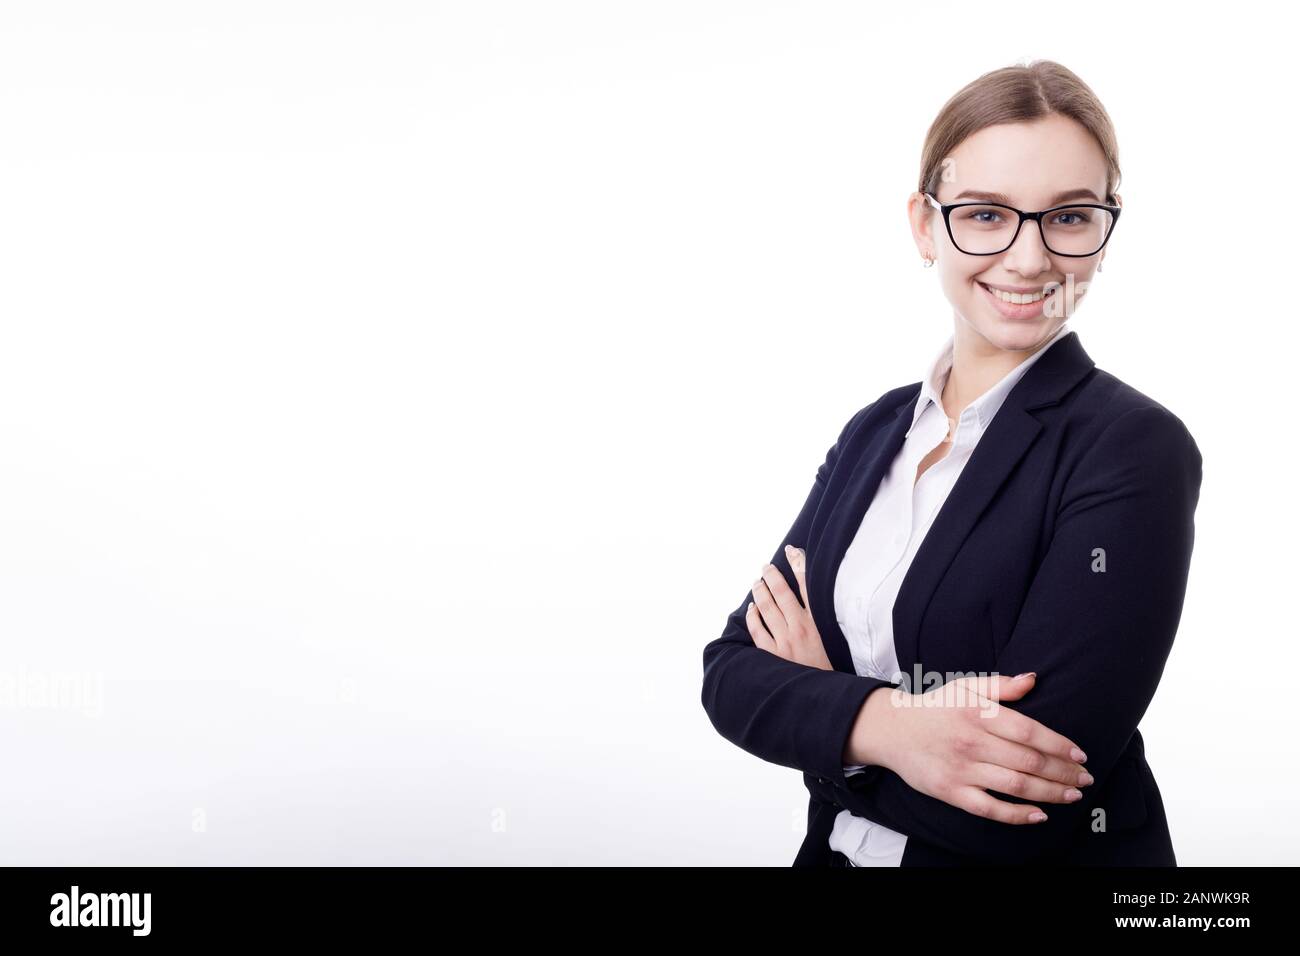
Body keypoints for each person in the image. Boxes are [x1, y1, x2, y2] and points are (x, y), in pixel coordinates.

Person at [700, 59, 1202, 866]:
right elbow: (729, 674)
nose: (1029, 259)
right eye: (985, 214)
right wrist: (901, 730)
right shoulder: (874, 432)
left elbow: (1014, 797)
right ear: (925, 225)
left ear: (1107, 231)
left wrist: (829, 722)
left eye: (1069, 218)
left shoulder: (1133, 447)